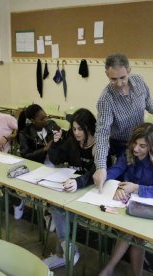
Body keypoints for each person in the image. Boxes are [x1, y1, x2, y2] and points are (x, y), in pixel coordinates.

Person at [99, 123, 153, 276]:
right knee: (130, 232)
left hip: (150, 208)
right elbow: (113, 172)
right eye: (135, 143)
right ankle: (112, 270)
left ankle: (110, 269)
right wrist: (115, 186)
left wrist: (137, 188)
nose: (136, 149)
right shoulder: (128, 154)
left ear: (151, 147)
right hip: (128, 206)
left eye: (142, 146)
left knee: (134, 234)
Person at [43, 108, 107, 269]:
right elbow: (56, 159)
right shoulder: (72, 141)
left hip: (93, 191)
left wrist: (79, 182)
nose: (77, 133)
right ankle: (67, 249)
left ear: (89, 127)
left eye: (80, 129)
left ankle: (63, 253)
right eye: (74, 129)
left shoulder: (100, 146)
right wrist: (56, 144)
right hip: (73, 188)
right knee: (56, 204)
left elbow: (95, 172)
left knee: (59, 209)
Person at [93, 53, 153, 192]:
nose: (118, 83)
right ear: (107, 74)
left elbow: (147, 98)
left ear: (129, 71)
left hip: (142, 142)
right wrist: (101, 167)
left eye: (122, 78)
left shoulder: (139, 81)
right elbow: (102, 133)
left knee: (141, 181)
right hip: (121, 145)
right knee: (121, 186)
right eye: (113, 79)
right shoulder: (106, 99)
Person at [16, 104, 61, 219]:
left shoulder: (51, 125)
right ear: (32, 120)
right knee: (49, 186)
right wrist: (45, 149)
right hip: (35, 167)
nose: (46, 120)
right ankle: (48, 212)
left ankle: (50, 212)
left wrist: (60, 140)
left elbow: (62, 143)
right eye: (42, 119)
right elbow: (25, 155)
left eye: (46, 117)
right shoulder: (25, 133)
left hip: (54, 164)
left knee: (58, 186)